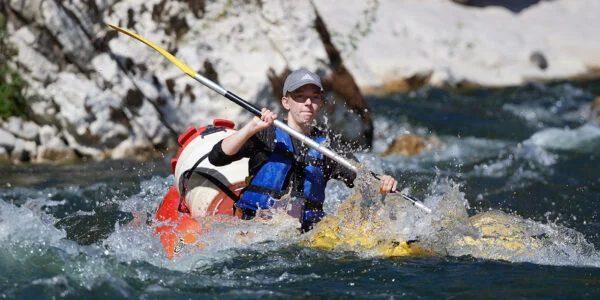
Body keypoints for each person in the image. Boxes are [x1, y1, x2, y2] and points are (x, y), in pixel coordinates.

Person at [208, 68, 397, 232]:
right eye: (300, 97)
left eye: (315, 97)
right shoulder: (266, 133)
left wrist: (381, 181)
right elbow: (218, 157)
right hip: (255, 226)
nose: (308, 102)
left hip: (305, 235)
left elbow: (361, 177)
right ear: (286, 102)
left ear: (320, 103)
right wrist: (251, 128)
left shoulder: (327, 146)